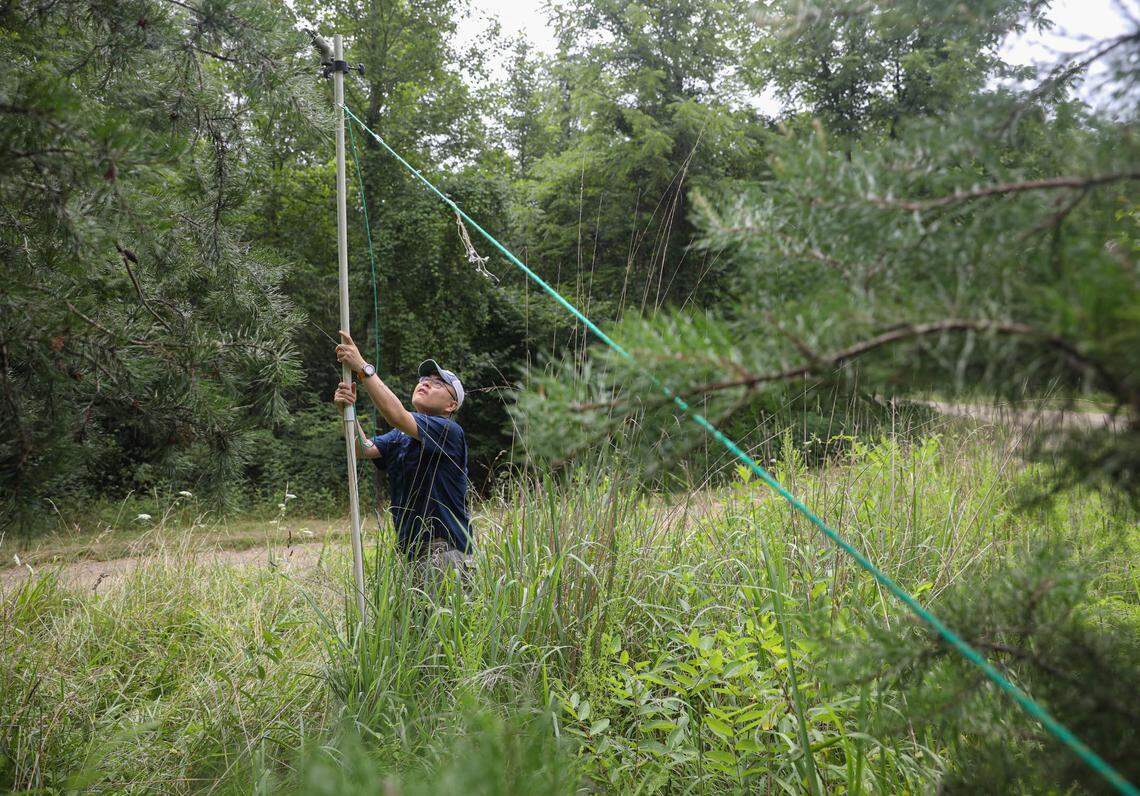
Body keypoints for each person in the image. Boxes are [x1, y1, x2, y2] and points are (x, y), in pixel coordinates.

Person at [331, 331, 472, 580]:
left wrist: (363, 369)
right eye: (424, 378)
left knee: (441, 621)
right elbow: (362, 449)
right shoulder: (401, 435)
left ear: (451, 406)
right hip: (413, 556)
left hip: (446, 554)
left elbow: (396, 414)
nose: (426, 383)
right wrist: (347, 411)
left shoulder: (448, 430)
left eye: (438, 383)